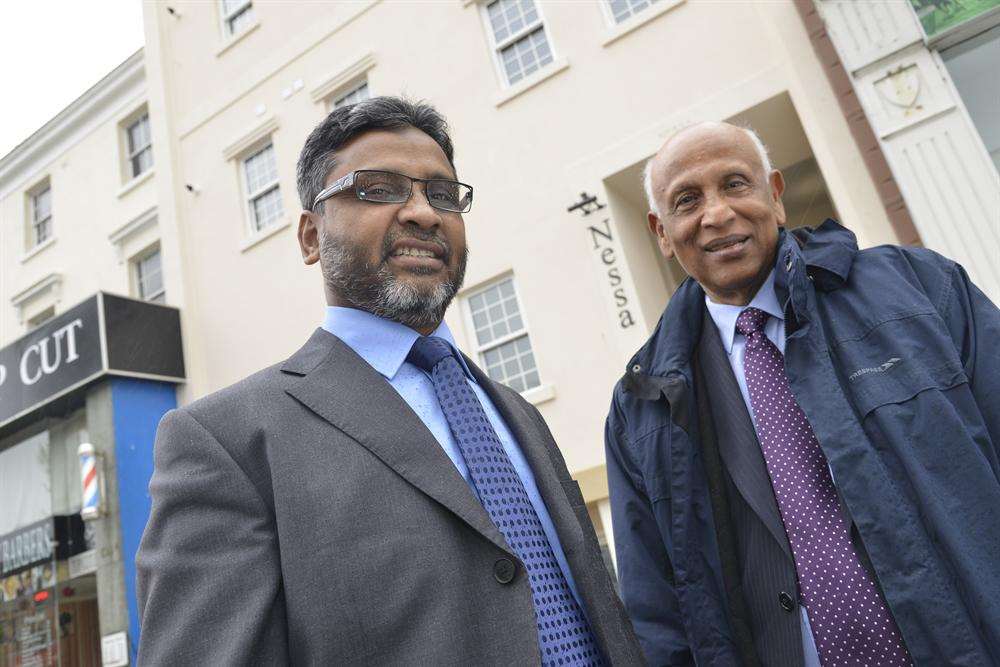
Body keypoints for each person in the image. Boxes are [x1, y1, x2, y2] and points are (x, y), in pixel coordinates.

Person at [136, 97, 642, 666]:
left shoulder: (517, 414)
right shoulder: (224, 441)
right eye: (378, 188)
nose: (424, 213)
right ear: (310, 236)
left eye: (443, 194)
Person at [605, 121, 1000, 666]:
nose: (717, 213)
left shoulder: (920, 290)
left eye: (736, 184)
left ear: (776, 196)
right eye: (687, 200)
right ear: (662, 233)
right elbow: (658, 614)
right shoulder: (640, 407)